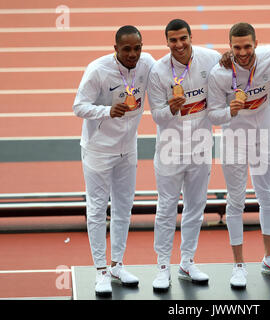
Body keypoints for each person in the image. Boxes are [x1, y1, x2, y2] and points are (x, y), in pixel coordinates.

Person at [73, 25, 155, 297]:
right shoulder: (97, 69)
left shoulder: (147, 64)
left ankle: (117, 264)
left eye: (137, 48)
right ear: (116, 48)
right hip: (98, 149)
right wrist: (107, 111)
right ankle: (100, 271)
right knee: (97, 209)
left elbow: (173, 69)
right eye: (127, 49)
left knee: (123, 207)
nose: (133, 54)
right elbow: (78, 106)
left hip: (128, 149)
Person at [207, 22, 270, 289]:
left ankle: (269, 257)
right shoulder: (219, 73)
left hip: (265, 139)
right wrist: (229, 111)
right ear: (229, 47)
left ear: (256, 44)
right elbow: (212, 115)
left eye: (247, 46)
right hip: (233, 143)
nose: (242, 52)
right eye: (236, 47)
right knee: (236, 202)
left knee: (268, 196)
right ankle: (239, 265)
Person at [147, 19, 221, 292]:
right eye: (173, 40)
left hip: (201, 146)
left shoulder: (209, 59)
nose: (179, 45)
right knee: (166, 208)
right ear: (166, 42)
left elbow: (229, 67)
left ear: (191, 38)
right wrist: (170, 108)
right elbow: (156, 116)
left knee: (196, 207)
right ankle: (163, 266)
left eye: (183, 39)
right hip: (169, 148)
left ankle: (187, 261)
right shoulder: (158, 72)